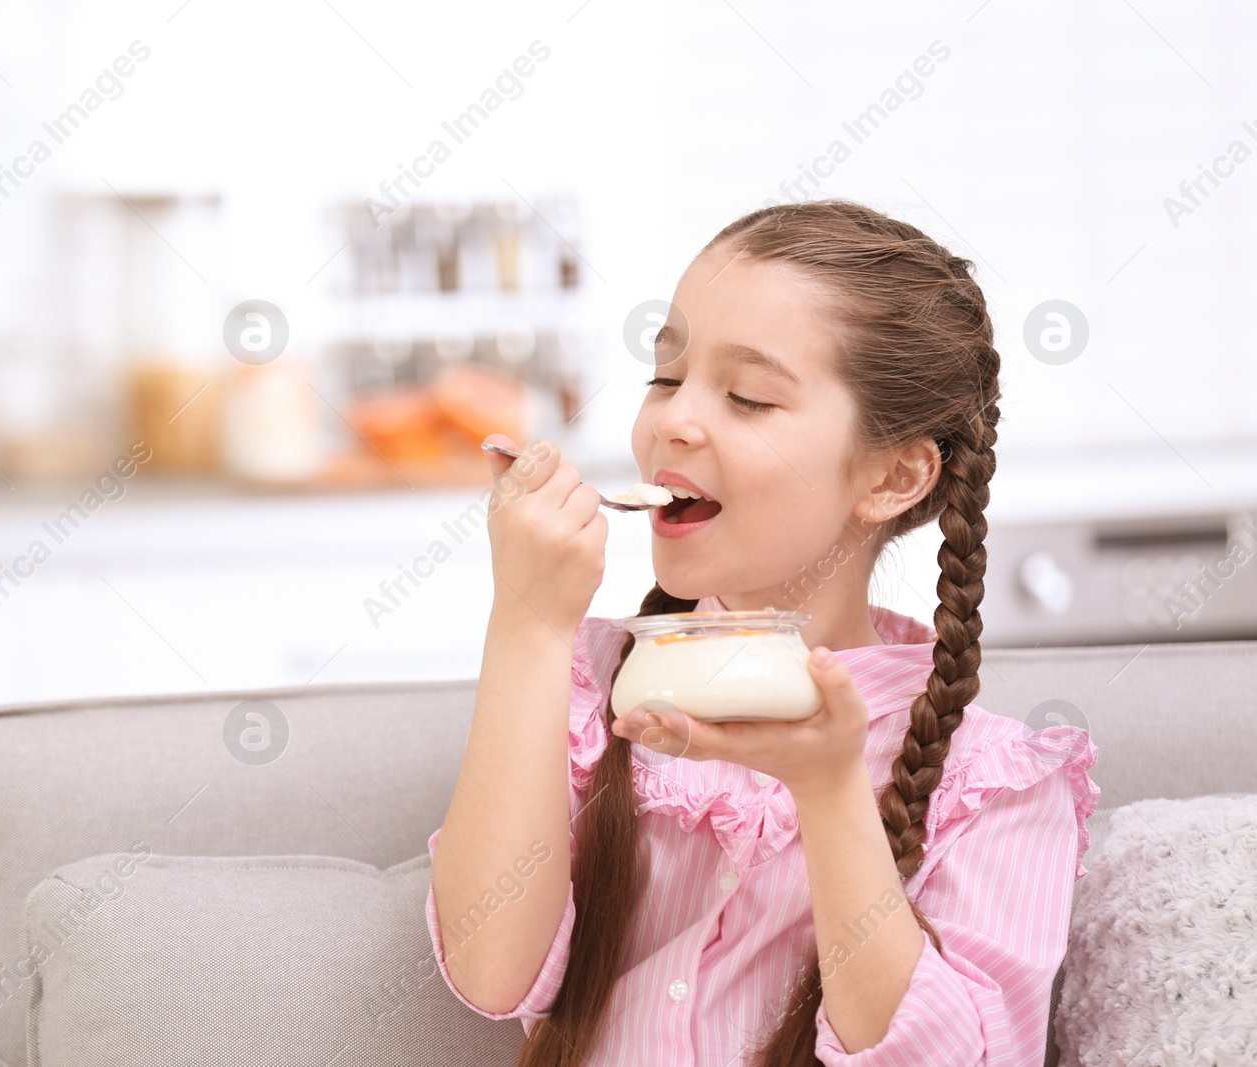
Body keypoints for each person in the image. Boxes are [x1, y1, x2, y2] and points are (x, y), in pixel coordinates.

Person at [425, 199, 1101, 1066]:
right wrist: (523, 623)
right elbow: (491, 970)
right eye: (666, 378)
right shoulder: (582, 684)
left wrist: (828, 797)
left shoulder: (995, 787)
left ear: (894, 474)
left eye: (747, 397)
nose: (674, 421)